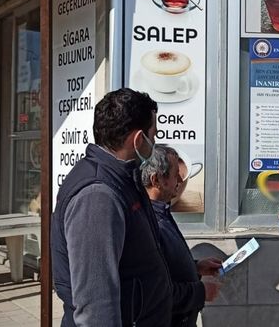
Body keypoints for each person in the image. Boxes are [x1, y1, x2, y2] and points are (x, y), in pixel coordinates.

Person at [51, 88, 172, 327]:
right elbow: (96, 305)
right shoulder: (98, 196)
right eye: (153, 135)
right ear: (138, 139)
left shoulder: (123, 178)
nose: (154, 142)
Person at [142, 145, 222, 327]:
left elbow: (168, 267)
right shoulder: (148, 224)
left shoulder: (161, 212)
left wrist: (196, 267)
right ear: (156, 180)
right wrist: (201, 293)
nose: (180, 180)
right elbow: (156, 293)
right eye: (174, 174)